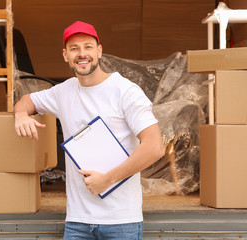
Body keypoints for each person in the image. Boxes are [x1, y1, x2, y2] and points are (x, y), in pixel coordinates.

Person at [14, 21, 165, 240]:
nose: (82, 54)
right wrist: (20, 114)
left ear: (99, 51)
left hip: (120, 222)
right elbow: (26, 100)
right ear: (65, 55)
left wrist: (107, 180)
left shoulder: (125, 91)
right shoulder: (63, 92)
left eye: (88, 47)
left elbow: (154, 147)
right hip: (77, 223)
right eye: (74, 48)